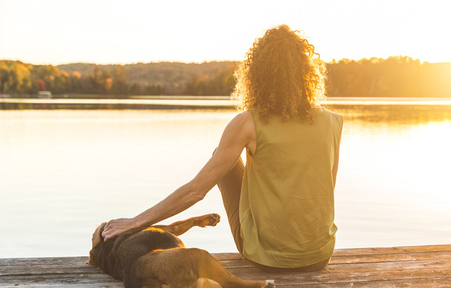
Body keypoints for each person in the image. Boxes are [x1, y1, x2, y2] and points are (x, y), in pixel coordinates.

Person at [101, 25, 343, 272]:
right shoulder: (334, 121)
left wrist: (135, 222)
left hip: (267, 258)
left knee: (222, 157)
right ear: (306, 72)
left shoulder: (248, 123)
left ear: (258, 74)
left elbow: (196, 191)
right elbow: (325, 190)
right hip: (319, 256)